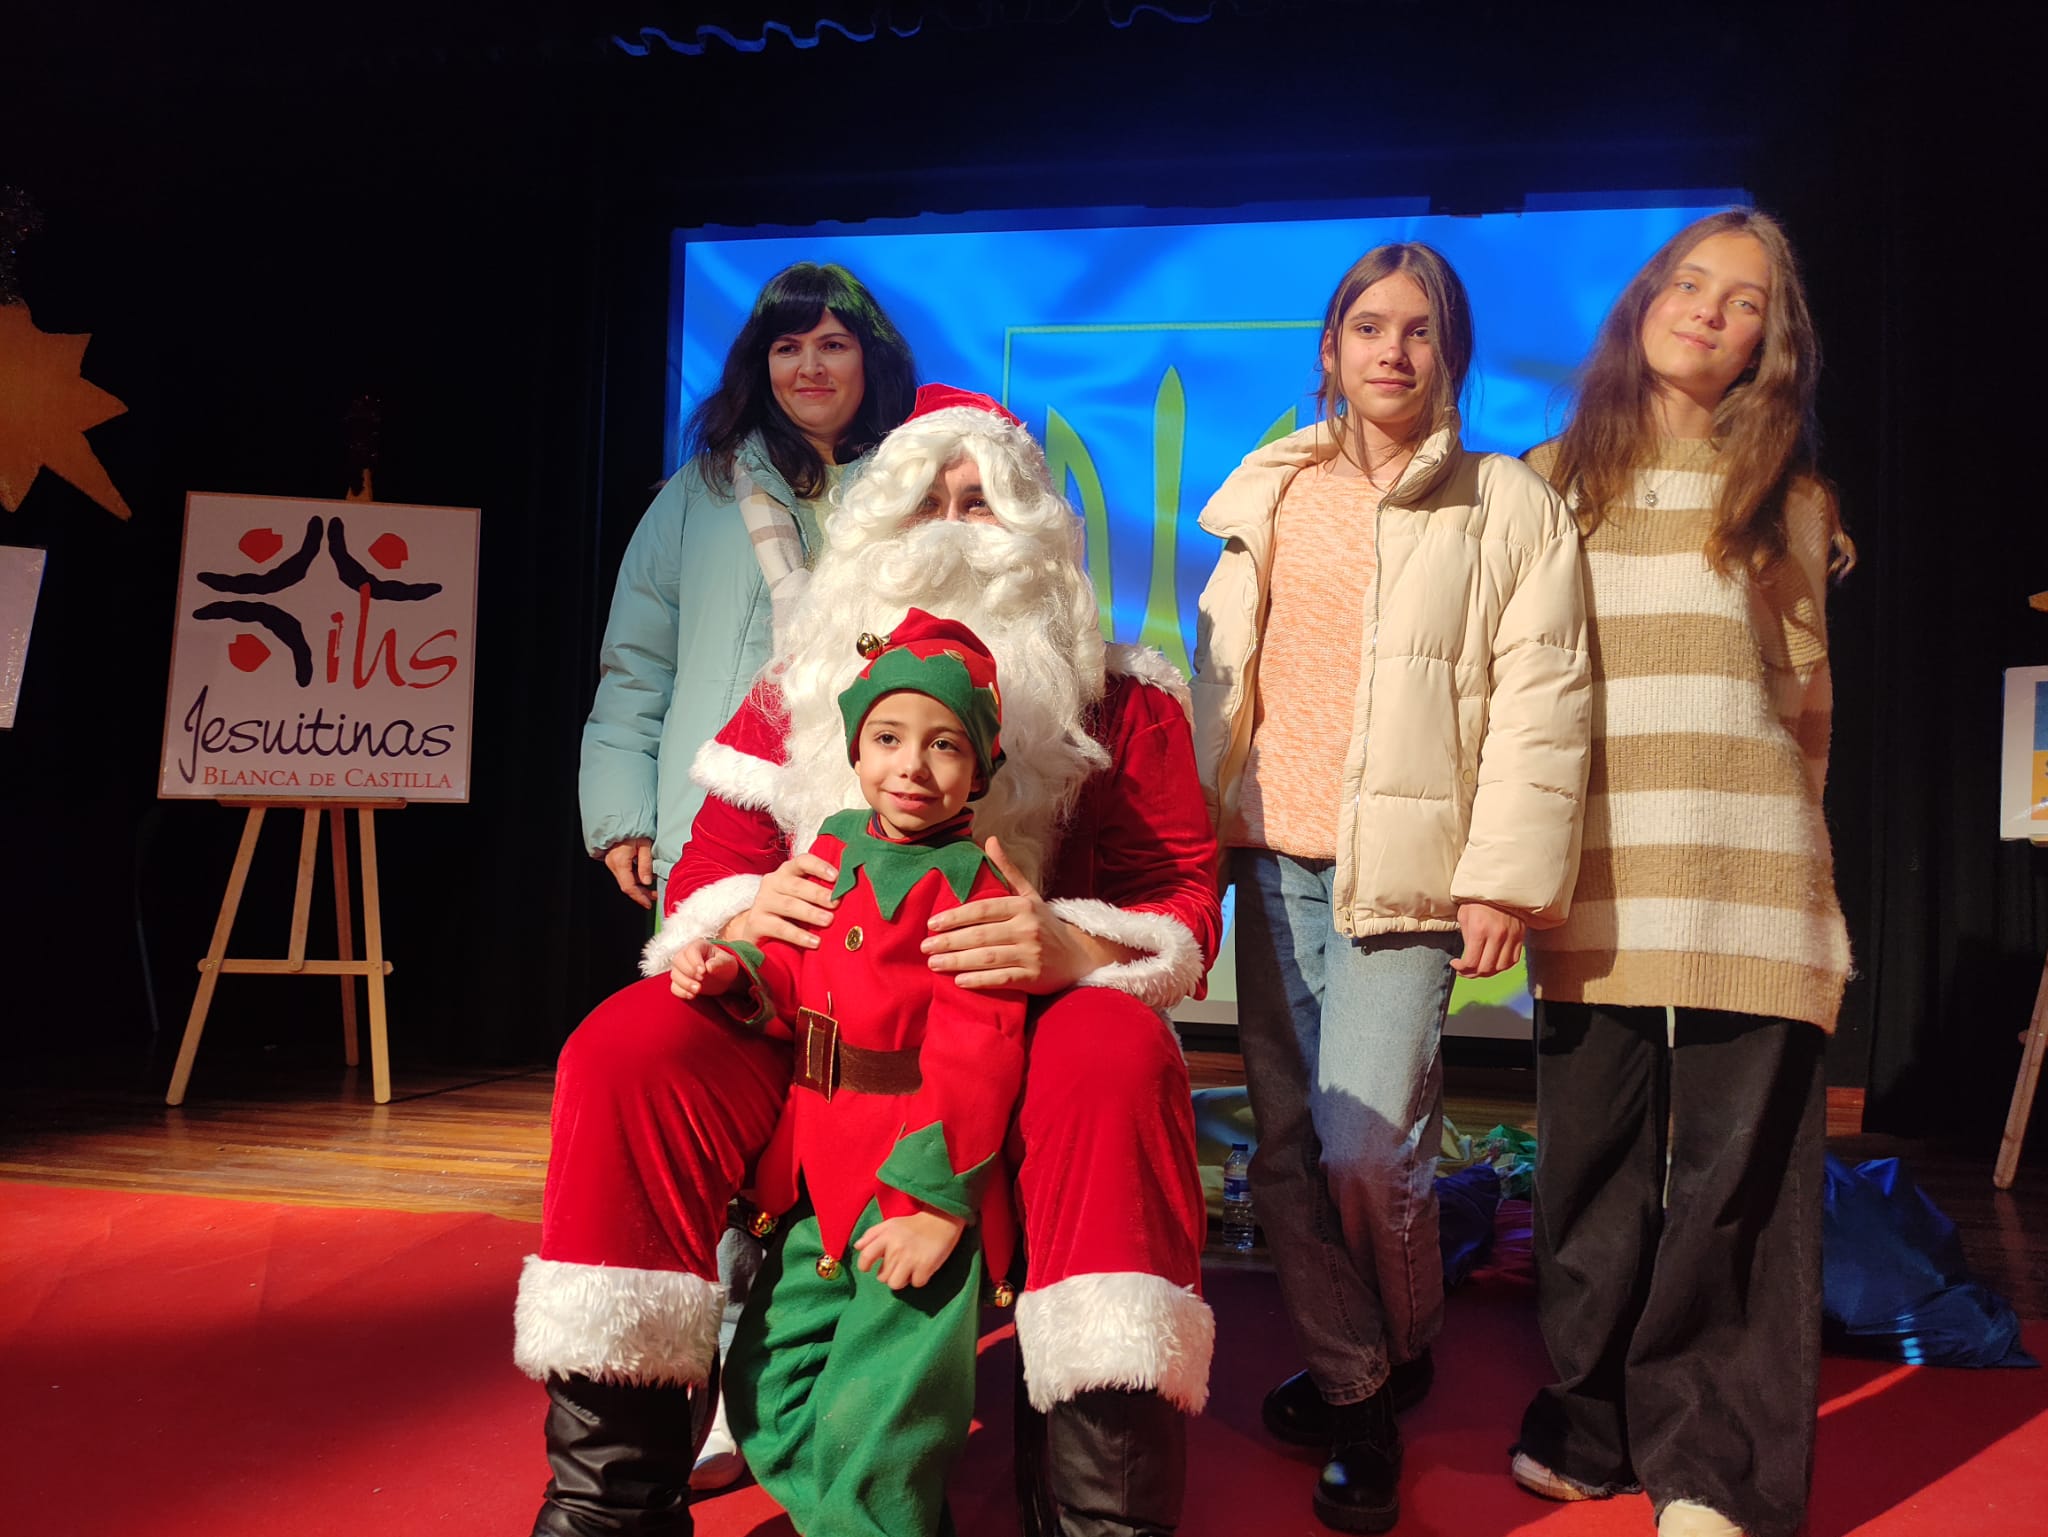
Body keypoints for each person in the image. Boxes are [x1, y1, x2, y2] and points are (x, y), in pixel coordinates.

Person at [515, 384, 1222, 1537]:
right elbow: (707, 879)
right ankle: (608, 1504)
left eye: (981, 503)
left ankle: (1101, 1518)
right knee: (624, 1049)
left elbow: (1180, 900)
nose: (951, 528)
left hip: (1024, 1026)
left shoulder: (1126, 696)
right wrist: (745, 918)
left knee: (1114, 1052)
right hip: (815, 1018)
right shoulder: (793, 690)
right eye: (925, 505)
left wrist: (1071, 944)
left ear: (1038, 533)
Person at [1192, 242, 1591, 1534]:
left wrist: (1503, 885)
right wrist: (1190, 843)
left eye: (1421, 331)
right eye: (1369, 326)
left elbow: (1544, 705)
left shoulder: (1508, 502)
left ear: (1452, 354)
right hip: (1272, 857)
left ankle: (1397, 1344)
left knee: (1370, 1149)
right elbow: (1221, 681)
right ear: (1330, 347)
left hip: (1411, 877)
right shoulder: (1273, 487)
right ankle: (1365, 1393)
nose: (1393, 351)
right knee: (1293, 1148)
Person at [1507, 210, 1854, 1537]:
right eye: (1691, 282)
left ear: (1773, 341)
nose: (1711, 310)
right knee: (1588, 1176)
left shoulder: (1793, 503)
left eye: (1746, 299)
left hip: (1749, 879)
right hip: (1593, 880)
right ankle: (1591, 1425)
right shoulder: (1544, 483)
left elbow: (1811, 715)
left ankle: (1713, 1471)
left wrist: (1803, 867)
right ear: (1645, 301)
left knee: (1735, 1195)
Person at [667, 609, 1025, 1537]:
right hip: (814, 1168)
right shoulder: (829, 843)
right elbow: (789, 971)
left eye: (945, 745)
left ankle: (874, 1521)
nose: (913, 765)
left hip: (908, 1178)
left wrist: (937, 1205)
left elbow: (978, 1044)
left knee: (889, 1397)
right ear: (858, 750)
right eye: (890, 738)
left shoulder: (972, 884)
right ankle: (847, 1517)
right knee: (761, 1379)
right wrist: (734, 969)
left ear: (980, 767)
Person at [580, 260, 916, 910]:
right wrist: (623, 808)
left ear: (870, 358)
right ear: (761, 364)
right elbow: (638, 663)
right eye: (787, 347)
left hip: (877, 828)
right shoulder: (697, 494)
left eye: (833, 345)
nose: (809, 367)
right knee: (712, 1005)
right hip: (715, 831)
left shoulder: (919, 493)